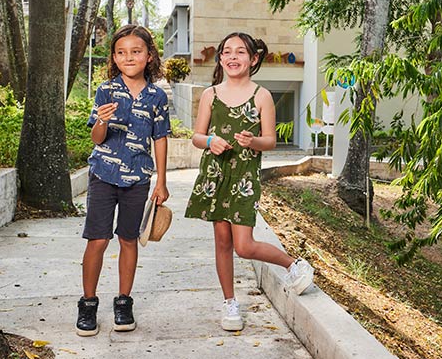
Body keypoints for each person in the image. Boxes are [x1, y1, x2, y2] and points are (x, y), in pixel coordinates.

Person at [185, 32, 314, 332]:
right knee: (222, 241)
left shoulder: (262, 96)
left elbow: (270, 141)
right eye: (226, 51)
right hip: (215, 175)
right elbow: (196, 136)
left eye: (240, 52)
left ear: (253, 59)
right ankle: (229, 303)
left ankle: (293, 264)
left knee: (243, 246)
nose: (233, 57)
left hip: (243, 176)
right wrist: (210, 141)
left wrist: (253, 140)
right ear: (220, 59)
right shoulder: (210, 95)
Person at [76, 25, 171, 336]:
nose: (128, 57)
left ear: (149, 56)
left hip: (139, 178)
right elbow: (96, 137)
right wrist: (102, 119)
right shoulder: (106, 90)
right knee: (98, 239)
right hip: (103, 175)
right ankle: (88, 304)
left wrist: (161, 181)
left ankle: (123, 303)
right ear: (114, 58)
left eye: (136, 51)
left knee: (129, 239)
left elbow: (160, 138)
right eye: (121, 52)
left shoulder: (157, 95)